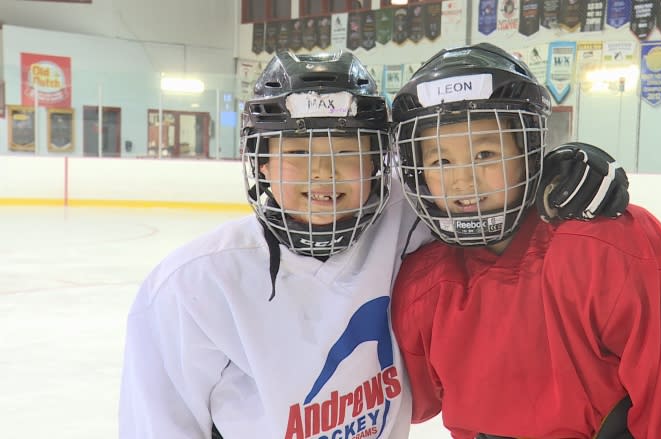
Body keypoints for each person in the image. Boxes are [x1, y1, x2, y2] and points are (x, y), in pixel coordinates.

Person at [118, 49, 628, 438]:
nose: (323, 173)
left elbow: (481, 180)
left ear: (379, 164)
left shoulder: (413, 217)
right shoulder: (193, 287)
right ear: (263, 163)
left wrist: (561, 168)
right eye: (297, 151)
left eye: (347, 152)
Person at [390, 43, 661, 439]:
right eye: (441, 161)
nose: (463, 179)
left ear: (530, 153)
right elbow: (408, 400)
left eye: (485, 153)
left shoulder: (603, 250)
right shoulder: (423, 281)